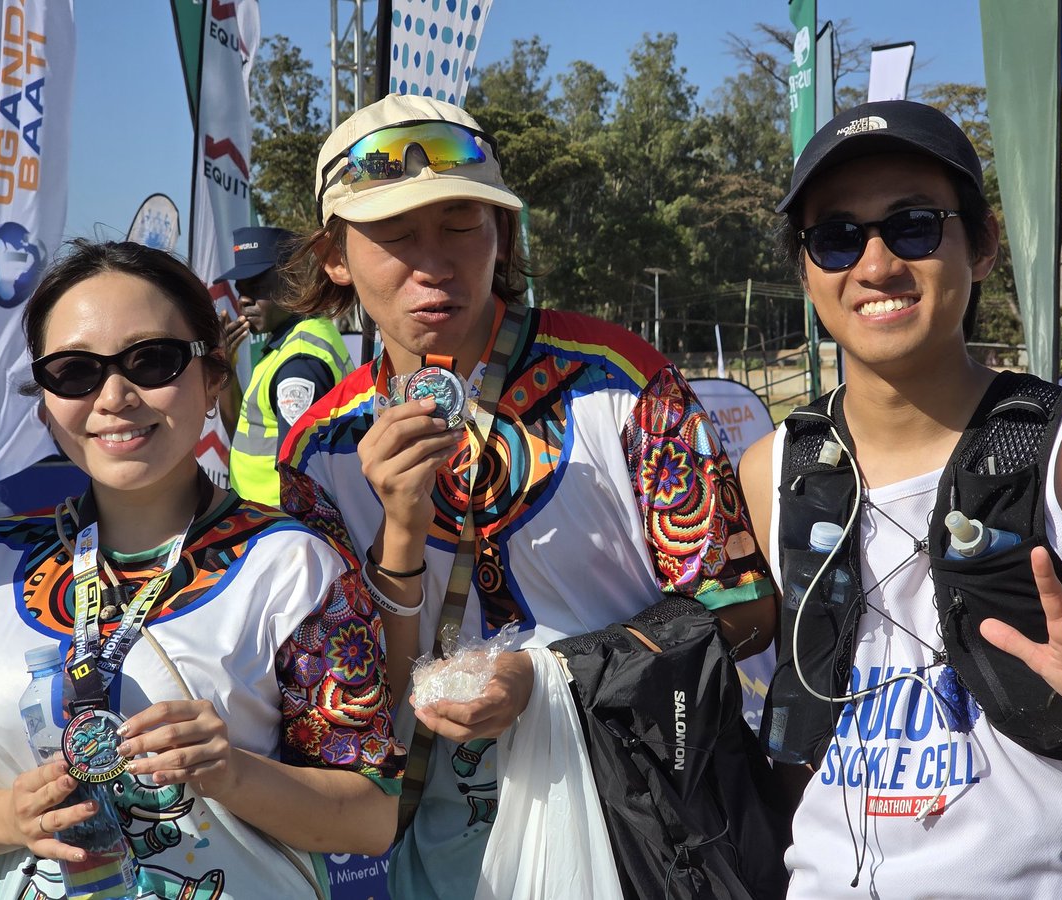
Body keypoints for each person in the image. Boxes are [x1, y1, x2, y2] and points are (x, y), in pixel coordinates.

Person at [277, 93, 775, 899]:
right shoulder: (322, 449)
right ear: (336, 256)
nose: (432, 262)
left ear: (502, 234)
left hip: (641, 827)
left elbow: (745, 613)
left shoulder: (621, 382)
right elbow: (345, 704)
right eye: (396, 235)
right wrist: (397, 535)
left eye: (463, 224)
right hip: (438, 848)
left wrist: (553, 679)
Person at [0, 240, 404, 899]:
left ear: (212, 380)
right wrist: (7, 815)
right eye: (73, 371)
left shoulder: (294, 568)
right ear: (42, 401)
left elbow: (373, 816)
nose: (115, 396)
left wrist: (232, 772)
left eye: (152, 361)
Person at [738, 99, 1062, 897]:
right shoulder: (771, 471)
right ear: (806, 270)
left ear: (981, 245)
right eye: (837, 237)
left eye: (913, 225)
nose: (876, 266)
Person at [214, 226, 352, 507]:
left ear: (293, 281)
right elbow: (247, 431)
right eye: (240, 289)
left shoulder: (298, 363)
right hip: (263, 524)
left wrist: (290, 542)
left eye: (255, 286)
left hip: (280, 528)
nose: (242, 299)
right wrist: (224, 367)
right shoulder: (288, 343)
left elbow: (300, 480)